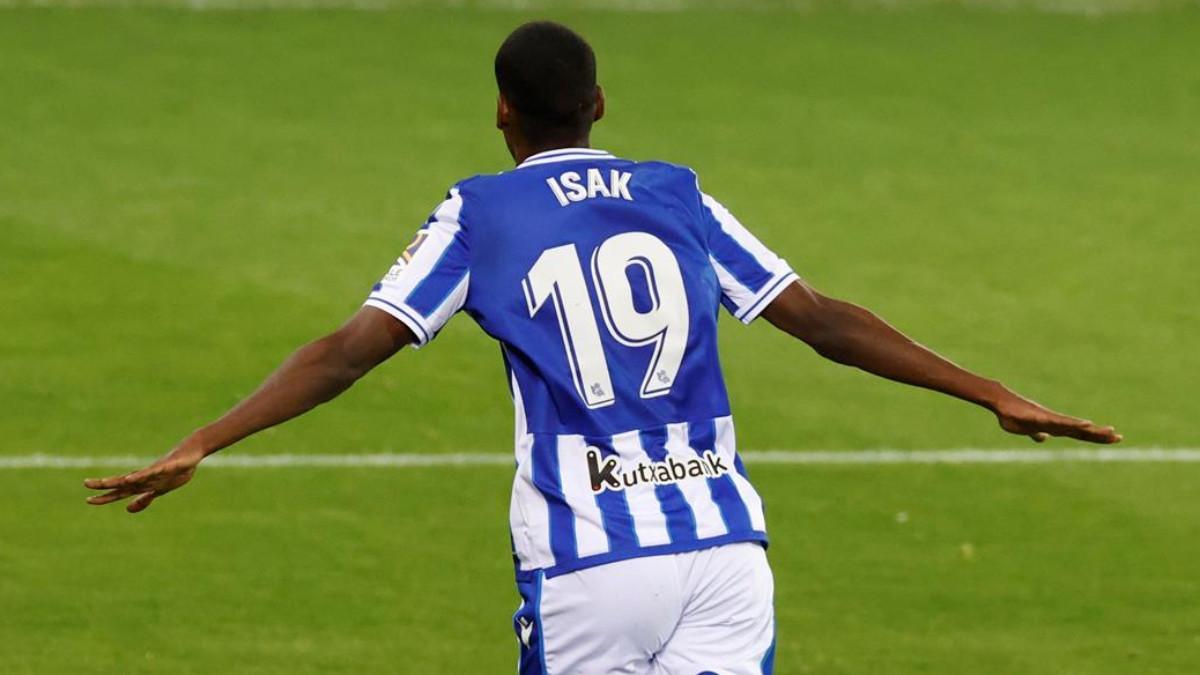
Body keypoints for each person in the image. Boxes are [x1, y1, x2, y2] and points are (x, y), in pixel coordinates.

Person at [83, 20, 1120, 675]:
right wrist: (991, 390)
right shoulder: (675, 194)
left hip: (590, 564)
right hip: (724, 556)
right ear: (600, 106)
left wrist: (207, 439)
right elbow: (823, 320)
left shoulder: (479, 214)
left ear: (502, 112)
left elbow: (350, 351)